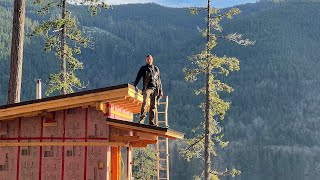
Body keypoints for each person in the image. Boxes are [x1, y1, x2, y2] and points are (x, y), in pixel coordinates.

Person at [133, 54, 163, 125]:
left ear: (152, 60)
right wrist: (135, 85)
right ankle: (142, 120)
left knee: (153, 106)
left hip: (155, 89)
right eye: (147, 59)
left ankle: (151, 122)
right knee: (145, 103)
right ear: (146, 60)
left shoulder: (156, 69)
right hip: (147, 88)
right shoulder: (143, 68)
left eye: (150, 59)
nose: (148, 60)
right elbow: (138, 77)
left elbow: (159, 80)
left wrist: (160, 90)